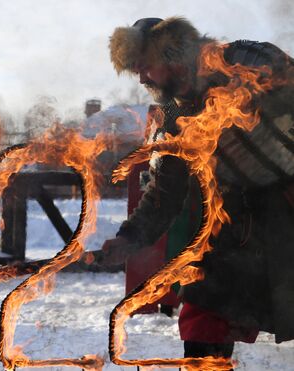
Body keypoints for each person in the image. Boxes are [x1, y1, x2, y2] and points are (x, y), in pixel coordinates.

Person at [102, 16, 294, 361]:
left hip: (288, 203)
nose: (143, 78)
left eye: (145, 67)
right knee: (204, 299)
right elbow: (165, 190)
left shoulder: (241, 61)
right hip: (240, 221)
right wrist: (130, 236)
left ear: (170, 54)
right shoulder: (173, 114)